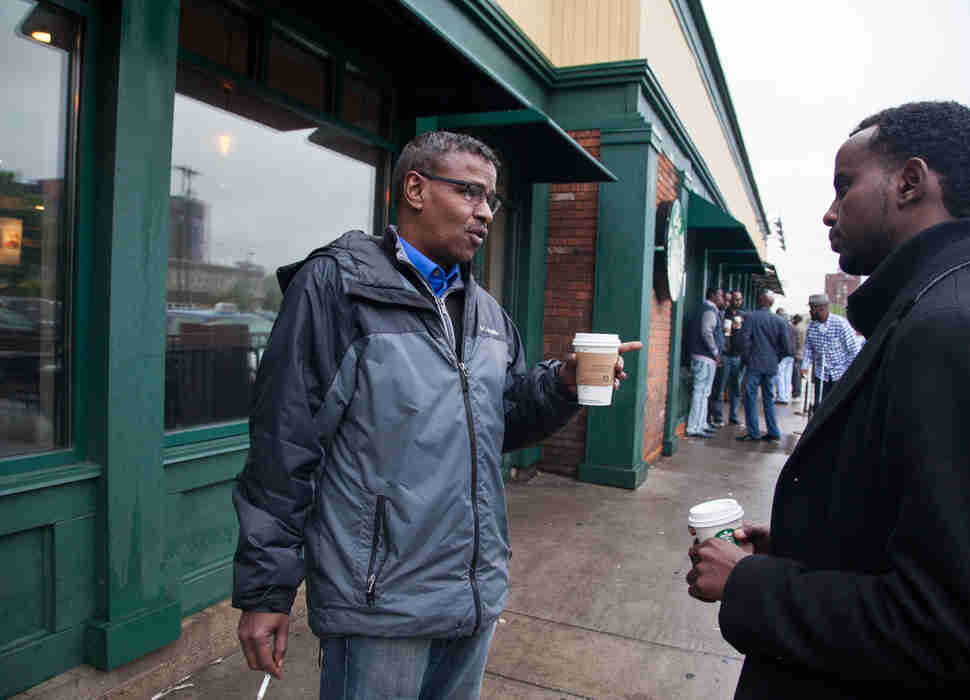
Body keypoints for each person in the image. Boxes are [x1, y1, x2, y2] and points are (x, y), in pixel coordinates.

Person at [231, 130, 641, 699]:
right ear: (416, 189)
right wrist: (266, 592)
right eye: (471, 193)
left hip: (472, 594)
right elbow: (284, 445)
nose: (486, 212)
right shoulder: (337, 289)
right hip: (380, 601)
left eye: (492, 199)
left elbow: (503, 420)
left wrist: (564, 385)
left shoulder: (487, 314)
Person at [686, 100, 970, 698]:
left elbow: (944, 623)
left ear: (910, 183)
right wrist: (797, 547)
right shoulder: (923, 307)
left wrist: (748, 586)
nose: (829, 213)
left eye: (845, 187)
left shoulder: (946, 327)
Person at [733, 289, 792, 442]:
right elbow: (786, 348)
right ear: (771, 303)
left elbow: (744, 340)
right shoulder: (780, 321)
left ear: (760, 301)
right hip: (771, 366)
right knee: (769, 398)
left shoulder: (751, 317)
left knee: (750, 398)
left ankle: (753, 432)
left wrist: (747, 358)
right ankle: (773, 432)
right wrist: (775, 359)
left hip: (754, 364)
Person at [800, 293, 861, 409]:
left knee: (838, 407)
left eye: (812, 308)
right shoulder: (811, 326)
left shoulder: (840, 324)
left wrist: (850, 372)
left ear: (821, 308)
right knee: (820, 406)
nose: (810, 311)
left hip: (840, 374)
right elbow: (808, 348)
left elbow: (854, 350)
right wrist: (805, 366)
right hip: (821, 374)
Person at [685, 288, 724, 438]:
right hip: (704, 357)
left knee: (703, 392)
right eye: (720, 295)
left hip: (701, 356)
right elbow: (706, 331)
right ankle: (695, 427)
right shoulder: (709, 310)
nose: (722, 298)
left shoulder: (703, 308)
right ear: (712, 295)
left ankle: (701, 424)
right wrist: (715, 352)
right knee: (701, 392)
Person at [722, 290, 746, 425]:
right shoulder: (724, 313)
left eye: (739, 299)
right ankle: (717, 416)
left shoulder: (744, 315)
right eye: (735, 299)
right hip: (725, 355)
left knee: (736, 388)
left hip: (738, 356)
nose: (737, 302)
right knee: (720, 386)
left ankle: (733, 415)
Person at [707, 288, 730, 427]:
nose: (725, 301)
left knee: (718, 388)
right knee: (711, 389)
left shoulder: (721, 312)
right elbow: (707, 332)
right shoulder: (712, 311)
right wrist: (716, 352)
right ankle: (712, 417)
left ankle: (715, 417)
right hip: (713, 357)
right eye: (722, 297)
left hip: (723, 356)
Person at [771, 309, 795, 404]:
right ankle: (786, 395)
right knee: (787, 376)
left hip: (783, 354)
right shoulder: (792, 327)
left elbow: (780, 342)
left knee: (779, 375)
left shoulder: (781, 327)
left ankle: (781, 396)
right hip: (791, 354)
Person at [789, 313, 806, 400]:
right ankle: (797, 392)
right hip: (802, 353)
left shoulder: (797, 328)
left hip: (797, 354)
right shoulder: (804, 327)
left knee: (796, 375)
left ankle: (796, 393)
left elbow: (797, 342)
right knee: (799, 374)